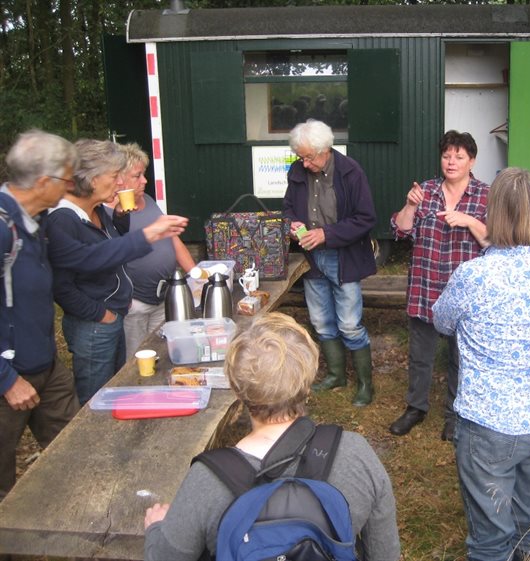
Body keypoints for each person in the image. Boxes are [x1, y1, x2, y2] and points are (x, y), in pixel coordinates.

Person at [143, 312, 401, 561]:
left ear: (235, 387)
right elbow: (384, 552)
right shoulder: (357, 454)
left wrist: (156, 528)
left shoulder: (206, 480)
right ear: (308, 381)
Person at [433, 167, 530, 561]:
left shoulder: (474, 274)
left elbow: (441, 319)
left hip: (491, 422)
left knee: (491, 540)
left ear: (493, 213)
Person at [46, 139, 188, 405]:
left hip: (113, 314)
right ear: (91, 178)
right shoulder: (63, 219)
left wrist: (121, 217)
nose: (119, 183)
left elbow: (109, 247)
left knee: (116, 387)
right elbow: (62, 285)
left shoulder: (97, 210)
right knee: (95, 399)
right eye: (114, 176)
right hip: (95, 324)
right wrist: (102, 315)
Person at [389, 130, 489, 440]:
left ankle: (455, 414)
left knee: (461, 356)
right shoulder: (426, 190)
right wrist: (408, 205)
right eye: (447, 155)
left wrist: (469, 221)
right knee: (421, 354)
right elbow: (402, 230)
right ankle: (415, 408)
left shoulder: (486, 195)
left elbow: (494, 242)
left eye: (459, 157)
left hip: (464, 294)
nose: (451, 162)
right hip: (426, 284)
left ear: (471, 161)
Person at [0, 130, 81, 501]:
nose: (69, 188)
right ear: (44, 181)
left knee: (72, 451)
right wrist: (6, 379)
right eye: (66, 180)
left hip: (46, 366)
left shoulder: (35, 222)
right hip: (10, 376)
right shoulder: (4, 229)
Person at [283, 119, 377, 407]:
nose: (304, 163)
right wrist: (291, 223)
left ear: (325, 151)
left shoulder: (350, 172)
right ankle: (337, 375)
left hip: (343, 256)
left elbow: (365, 218)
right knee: (322, 322)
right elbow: (287, 206)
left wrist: (326, 233)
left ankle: (365, 384)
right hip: (311, 259)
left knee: (349, 324)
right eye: (300, 157)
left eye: (309, 157)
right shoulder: (297, 171)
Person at [109, 143, 196, 358]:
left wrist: (197, 277)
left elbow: (174, 241)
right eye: (137, 176)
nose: (144, 181)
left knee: (161, 352)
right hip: (135, 304)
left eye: (144, 174)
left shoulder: (147, 201)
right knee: (135, 360)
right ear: (119, 179)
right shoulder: (108, 213)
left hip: (161, 298)